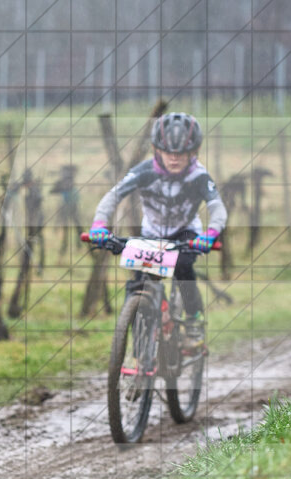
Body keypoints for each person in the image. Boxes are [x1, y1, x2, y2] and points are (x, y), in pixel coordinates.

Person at [87, 111, 227, 344]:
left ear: (193, 152)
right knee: (139, 280)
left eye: (181, 153)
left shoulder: (199, 176)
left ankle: (194, 318)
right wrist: (99, 225)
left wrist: (210, 234)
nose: (174, 158)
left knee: (183, 268)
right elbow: (113, 196)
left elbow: (217, 207)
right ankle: (137, 337)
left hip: (186, 233)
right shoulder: (144, 171)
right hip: (151, 234)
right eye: (168, 152)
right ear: (156, 150)